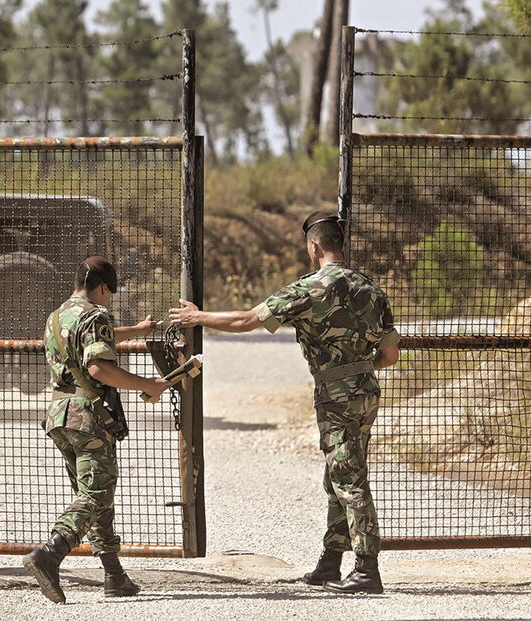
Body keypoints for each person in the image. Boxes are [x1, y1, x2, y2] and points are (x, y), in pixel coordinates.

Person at [169, 211, 399, 595]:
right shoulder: (371, 289)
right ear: (339, 243)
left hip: (335, 394)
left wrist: (199, 317)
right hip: (366, 390)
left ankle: (366, 569)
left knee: (349, 480)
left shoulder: (309, 289)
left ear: (313, 245)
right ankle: (330, 564)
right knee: (339, 475)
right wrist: (358, 368)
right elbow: (390, 356)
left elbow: (247, 320)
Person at [24, 256, 170, 605]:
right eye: (110, 294)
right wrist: (147, 384)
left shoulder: (58, 316)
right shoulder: (96, 314)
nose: (109, 301)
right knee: (96, 494)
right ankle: (50, 552)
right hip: (88, 416)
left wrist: (136, 331)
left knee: (93, 493)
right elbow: (98, 367)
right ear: (103, 287)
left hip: (60, 415)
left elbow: (90, 339)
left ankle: (113, 574)